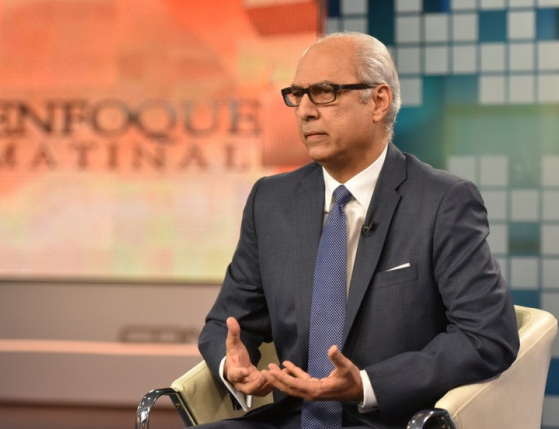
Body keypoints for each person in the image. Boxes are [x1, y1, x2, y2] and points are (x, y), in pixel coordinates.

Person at [197, 31, 520, 428]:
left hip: (389, 419)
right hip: (291, 418)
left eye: (324, 92)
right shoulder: (271, 200)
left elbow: (486, 337)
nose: (304, 111)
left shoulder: (443, 202)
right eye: (297, 95)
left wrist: (366, 385)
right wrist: (232, 365)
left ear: (378, 101)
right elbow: (226, 323)